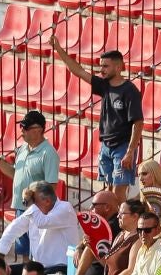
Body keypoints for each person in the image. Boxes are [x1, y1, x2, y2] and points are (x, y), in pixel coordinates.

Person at [48, 38, 143, 192]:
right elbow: (78, 71)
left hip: (123, 147)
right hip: (106, 146)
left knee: (118, 194)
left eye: (106, 66)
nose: (102, 70)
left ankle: (122, 216)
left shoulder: (130, 91)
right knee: (108, 193)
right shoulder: (104, 85)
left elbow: (138, 124)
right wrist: (58, 48)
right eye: (101, 66)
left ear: (118, 67)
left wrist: (130, 151)